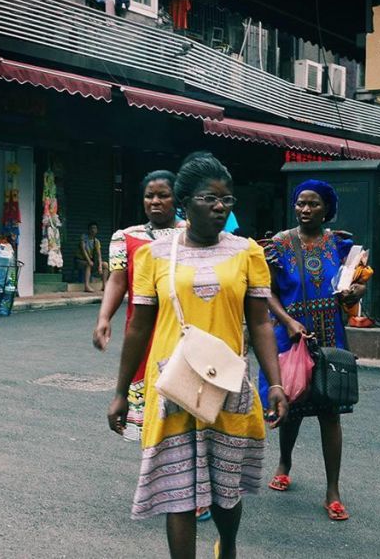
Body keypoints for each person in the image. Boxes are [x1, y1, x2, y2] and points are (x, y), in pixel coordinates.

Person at [107, 152, 289, 559]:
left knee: (226, 490)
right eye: (210, 198)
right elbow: (138, 326)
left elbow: (260, 324)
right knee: (179, 492)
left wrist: (274, 382)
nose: (221, 207)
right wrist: (121, 391)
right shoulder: (152, 255)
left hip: (228, 384)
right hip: (174, 384)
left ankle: (229, 548)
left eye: (227, 200)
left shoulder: (246, 252)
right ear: (185, 202)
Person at [259, 179, 366, 522]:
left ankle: (333, 490)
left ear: (327, 209)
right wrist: (287, 321)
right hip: (290, 336)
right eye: (300, 204)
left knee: (329, 411)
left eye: (313, 204)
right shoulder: (278, 244)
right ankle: (284, 463)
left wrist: (355, 293)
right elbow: (266, 291)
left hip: (330, 337)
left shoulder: (340, 244)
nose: (305, 210)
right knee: (290, 404)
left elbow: (358, 280)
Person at [93, 170, 182, 438]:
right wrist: (104, 318)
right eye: (149, 196)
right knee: (149, 422)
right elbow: (118, 281)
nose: (155, 201)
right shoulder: (126, 237)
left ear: (176, 198)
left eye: (163, 195)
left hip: (181, 331)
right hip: (142, 332)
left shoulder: (192, 234)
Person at [77, 222, 108, 292]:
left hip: (91, 262)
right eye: (92, 228)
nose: (93, 230)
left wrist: (100, 266)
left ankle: (104, 286)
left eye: (95, 228)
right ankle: (87, 286)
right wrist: (89, 261)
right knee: (88, 264)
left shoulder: (96, 241)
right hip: (80, 260)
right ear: (88, 230)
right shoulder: (83, 237)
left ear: (97, 230)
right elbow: (83, 250)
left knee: (105, 265)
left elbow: (99, 255)